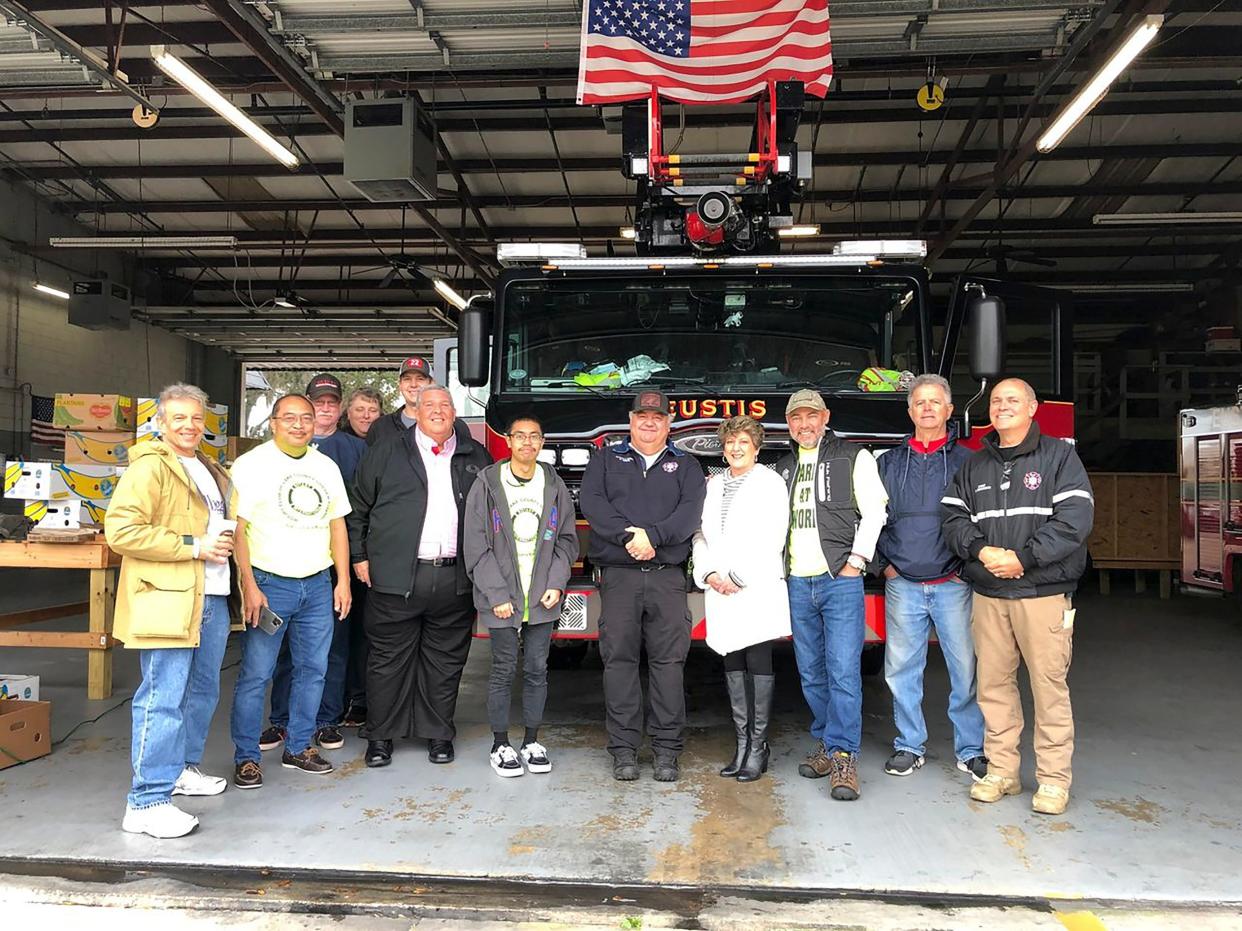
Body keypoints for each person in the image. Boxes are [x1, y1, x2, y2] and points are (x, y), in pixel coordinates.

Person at [942, 378, 1093, 816]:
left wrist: (1024, 559)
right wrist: (980, 550)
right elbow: (952, 518)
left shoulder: (1061, 457)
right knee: (993, 687)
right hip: (989, 593)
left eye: (1013, 400)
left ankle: (1052, 781)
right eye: (996, 401)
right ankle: (1003, 772)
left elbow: (1074, 521)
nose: (1002, 407)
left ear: (1032, 409)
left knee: (1049, 687)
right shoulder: (973, 465)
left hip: (1041, 593)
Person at [106, 383, 239, 838]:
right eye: (178, 418)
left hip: (212, 596)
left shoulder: (208, 466)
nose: (189, 425)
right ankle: (145, 801)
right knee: (162, 698)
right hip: (169, 596)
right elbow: (121, 531)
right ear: (160, 423)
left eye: (196, 418)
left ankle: (181, 769)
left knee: (201, 693)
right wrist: (193, 546)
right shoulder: (149, 468)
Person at [348, 384, 491, 768]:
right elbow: (357, 508)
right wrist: (359, 556)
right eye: (431, 405)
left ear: (455, 412)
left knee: (444, 662)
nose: (439, 411)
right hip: (395, 576)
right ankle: (380, 738)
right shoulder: (386, 451)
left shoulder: (473, 455)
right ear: (416, 410)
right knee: (387, 661)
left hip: (453, 577)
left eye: (446, 405)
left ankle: (438, 734)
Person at [579, 389, 706, 783]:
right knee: (619, 663)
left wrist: (653, 536)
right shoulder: (605, 459)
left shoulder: (686, 465)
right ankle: (624, 750)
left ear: (668, 424)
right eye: (642, 416)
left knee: (669, 664)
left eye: (657, 417)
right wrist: (628, 538)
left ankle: (667, 751)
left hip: (667, 578)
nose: (649, 422)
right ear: (630, 420)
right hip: (618, 577)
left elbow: (690, 512)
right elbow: (593, 504)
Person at [229, 393, 353, 788]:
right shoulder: (251, 465)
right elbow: (238, 531)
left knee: (313, 670)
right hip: (269, 584)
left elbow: (338, 526)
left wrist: (343, 580)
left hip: (317, 584)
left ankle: (299, 746)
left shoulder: (326, 466)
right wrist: (248, 584)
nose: (299, 425)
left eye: (306, 418)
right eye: (289, 418)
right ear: (273, 423)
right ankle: (247, 757)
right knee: (257, 673)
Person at [777, 389, 888, 802]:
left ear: (825, 417)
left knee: (843, 670)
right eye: (796, 419)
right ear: (789, 424)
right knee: (810, 671)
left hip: (839, 580)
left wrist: (856, 562)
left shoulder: (853, 456)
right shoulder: (783, 468)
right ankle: (827, 742)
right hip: (796, 581)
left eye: (811, 417)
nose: (804, 425)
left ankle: (844, 756)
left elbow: (876, 510)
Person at [875, 374, 987, 780]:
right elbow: (869, 518)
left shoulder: (970, 461)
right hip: (902, 582)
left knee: (966, 671)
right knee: (901, 670)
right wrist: (883, 565)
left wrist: (967, 570)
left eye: (934, 402)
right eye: (919, 402)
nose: (926, 408)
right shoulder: (888, 462)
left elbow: (984, 521)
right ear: (909, 411)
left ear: (949, 410)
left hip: (953, 585)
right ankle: (908, 745)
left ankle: (971, 749)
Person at [463, 414, 579, 778]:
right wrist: (496, 593)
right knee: (501, 670)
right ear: (509, 442)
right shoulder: (488, 484)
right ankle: (500, 744)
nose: (527, 443)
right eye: (520, 437)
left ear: (541, 443)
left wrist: (556, 583)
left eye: (535, 437)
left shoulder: (554, 484)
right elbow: (476, 547)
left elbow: (566, 540)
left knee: (536, 670)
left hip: (541, 597)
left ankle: (531, 740)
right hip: (502, 597)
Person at [261, 374, 368, 754]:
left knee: (331, 650)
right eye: (318, 403)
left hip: (326, 570)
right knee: (284, 651)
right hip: (278, 569)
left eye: (331, 404)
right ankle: (281, 722)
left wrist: (350, 566)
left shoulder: (353, 449)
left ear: (339, 409)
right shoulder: (267, 456)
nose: (324, 410)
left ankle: (326, 720)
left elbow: (355, 512)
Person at [691, 416, 790, 783]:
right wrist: (710, 574)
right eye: (730, 442)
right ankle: (742, 744)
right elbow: (699, 533)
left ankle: (759, 746)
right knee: (731, 659)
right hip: (720, 588)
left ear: (756, 447)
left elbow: (774, 534)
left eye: (743, 442)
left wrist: (738, 576)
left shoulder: (770, 483)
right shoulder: (714, 485)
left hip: (755, 587)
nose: (735, 448)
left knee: (757, 658)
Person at [366, 355, 433, 447]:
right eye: (407, 379)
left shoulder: (447, 424)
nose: (413, 384)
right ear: (400, 385)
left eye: (420, 379)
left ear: (431, 383)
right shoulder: (380, 426)